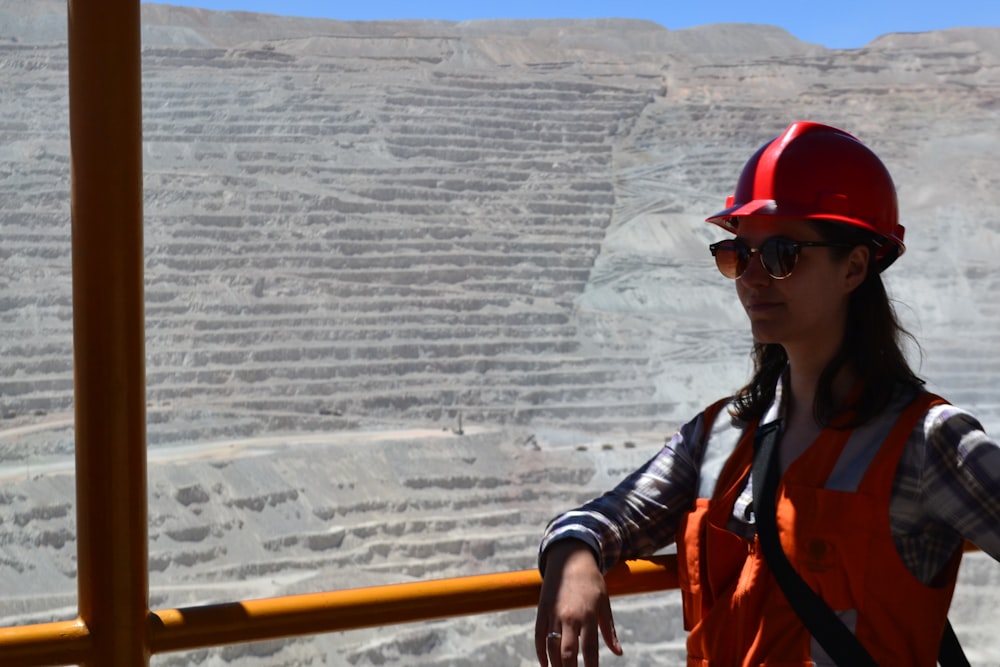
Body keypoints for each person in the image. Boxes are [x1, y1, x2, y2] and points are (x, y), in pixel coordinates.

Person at [534, 120, 1000, 667]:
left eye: (782, 254)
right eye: (738, 254)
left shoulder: (927, 443)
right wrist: (572, 556)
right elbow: (612, 515)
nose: (753, 278)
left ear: (853, 266)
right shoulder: (717, 437)